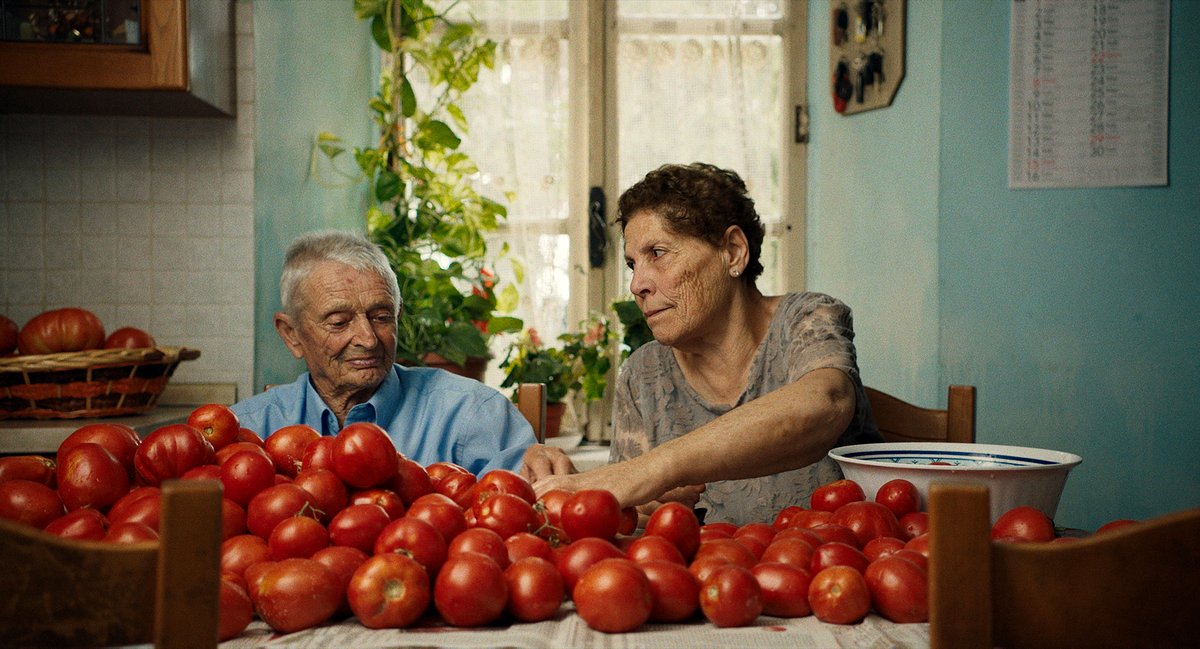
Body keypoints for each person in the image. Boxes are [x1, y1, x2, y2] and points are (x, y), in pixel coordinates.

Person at [533, 163, 882, 525]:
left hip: (836, 573)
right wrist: (645, 508)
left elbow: (826, 402)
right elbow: (630, 507)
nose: (637, 284)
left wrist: (659, 469)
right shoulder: (642, 374)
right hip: (713, 579)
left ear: (732, 251)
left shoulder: (808, 319)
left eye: (658, 253)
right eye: (632, 264)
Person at [231, 229, 573, 480]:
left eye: (381, 317)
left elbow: (530, 507)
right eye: (339, 322)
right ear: (291, 335)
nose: (367, 338)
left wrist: (547, 470)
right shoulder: (247, 428)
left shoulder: (470, 413)